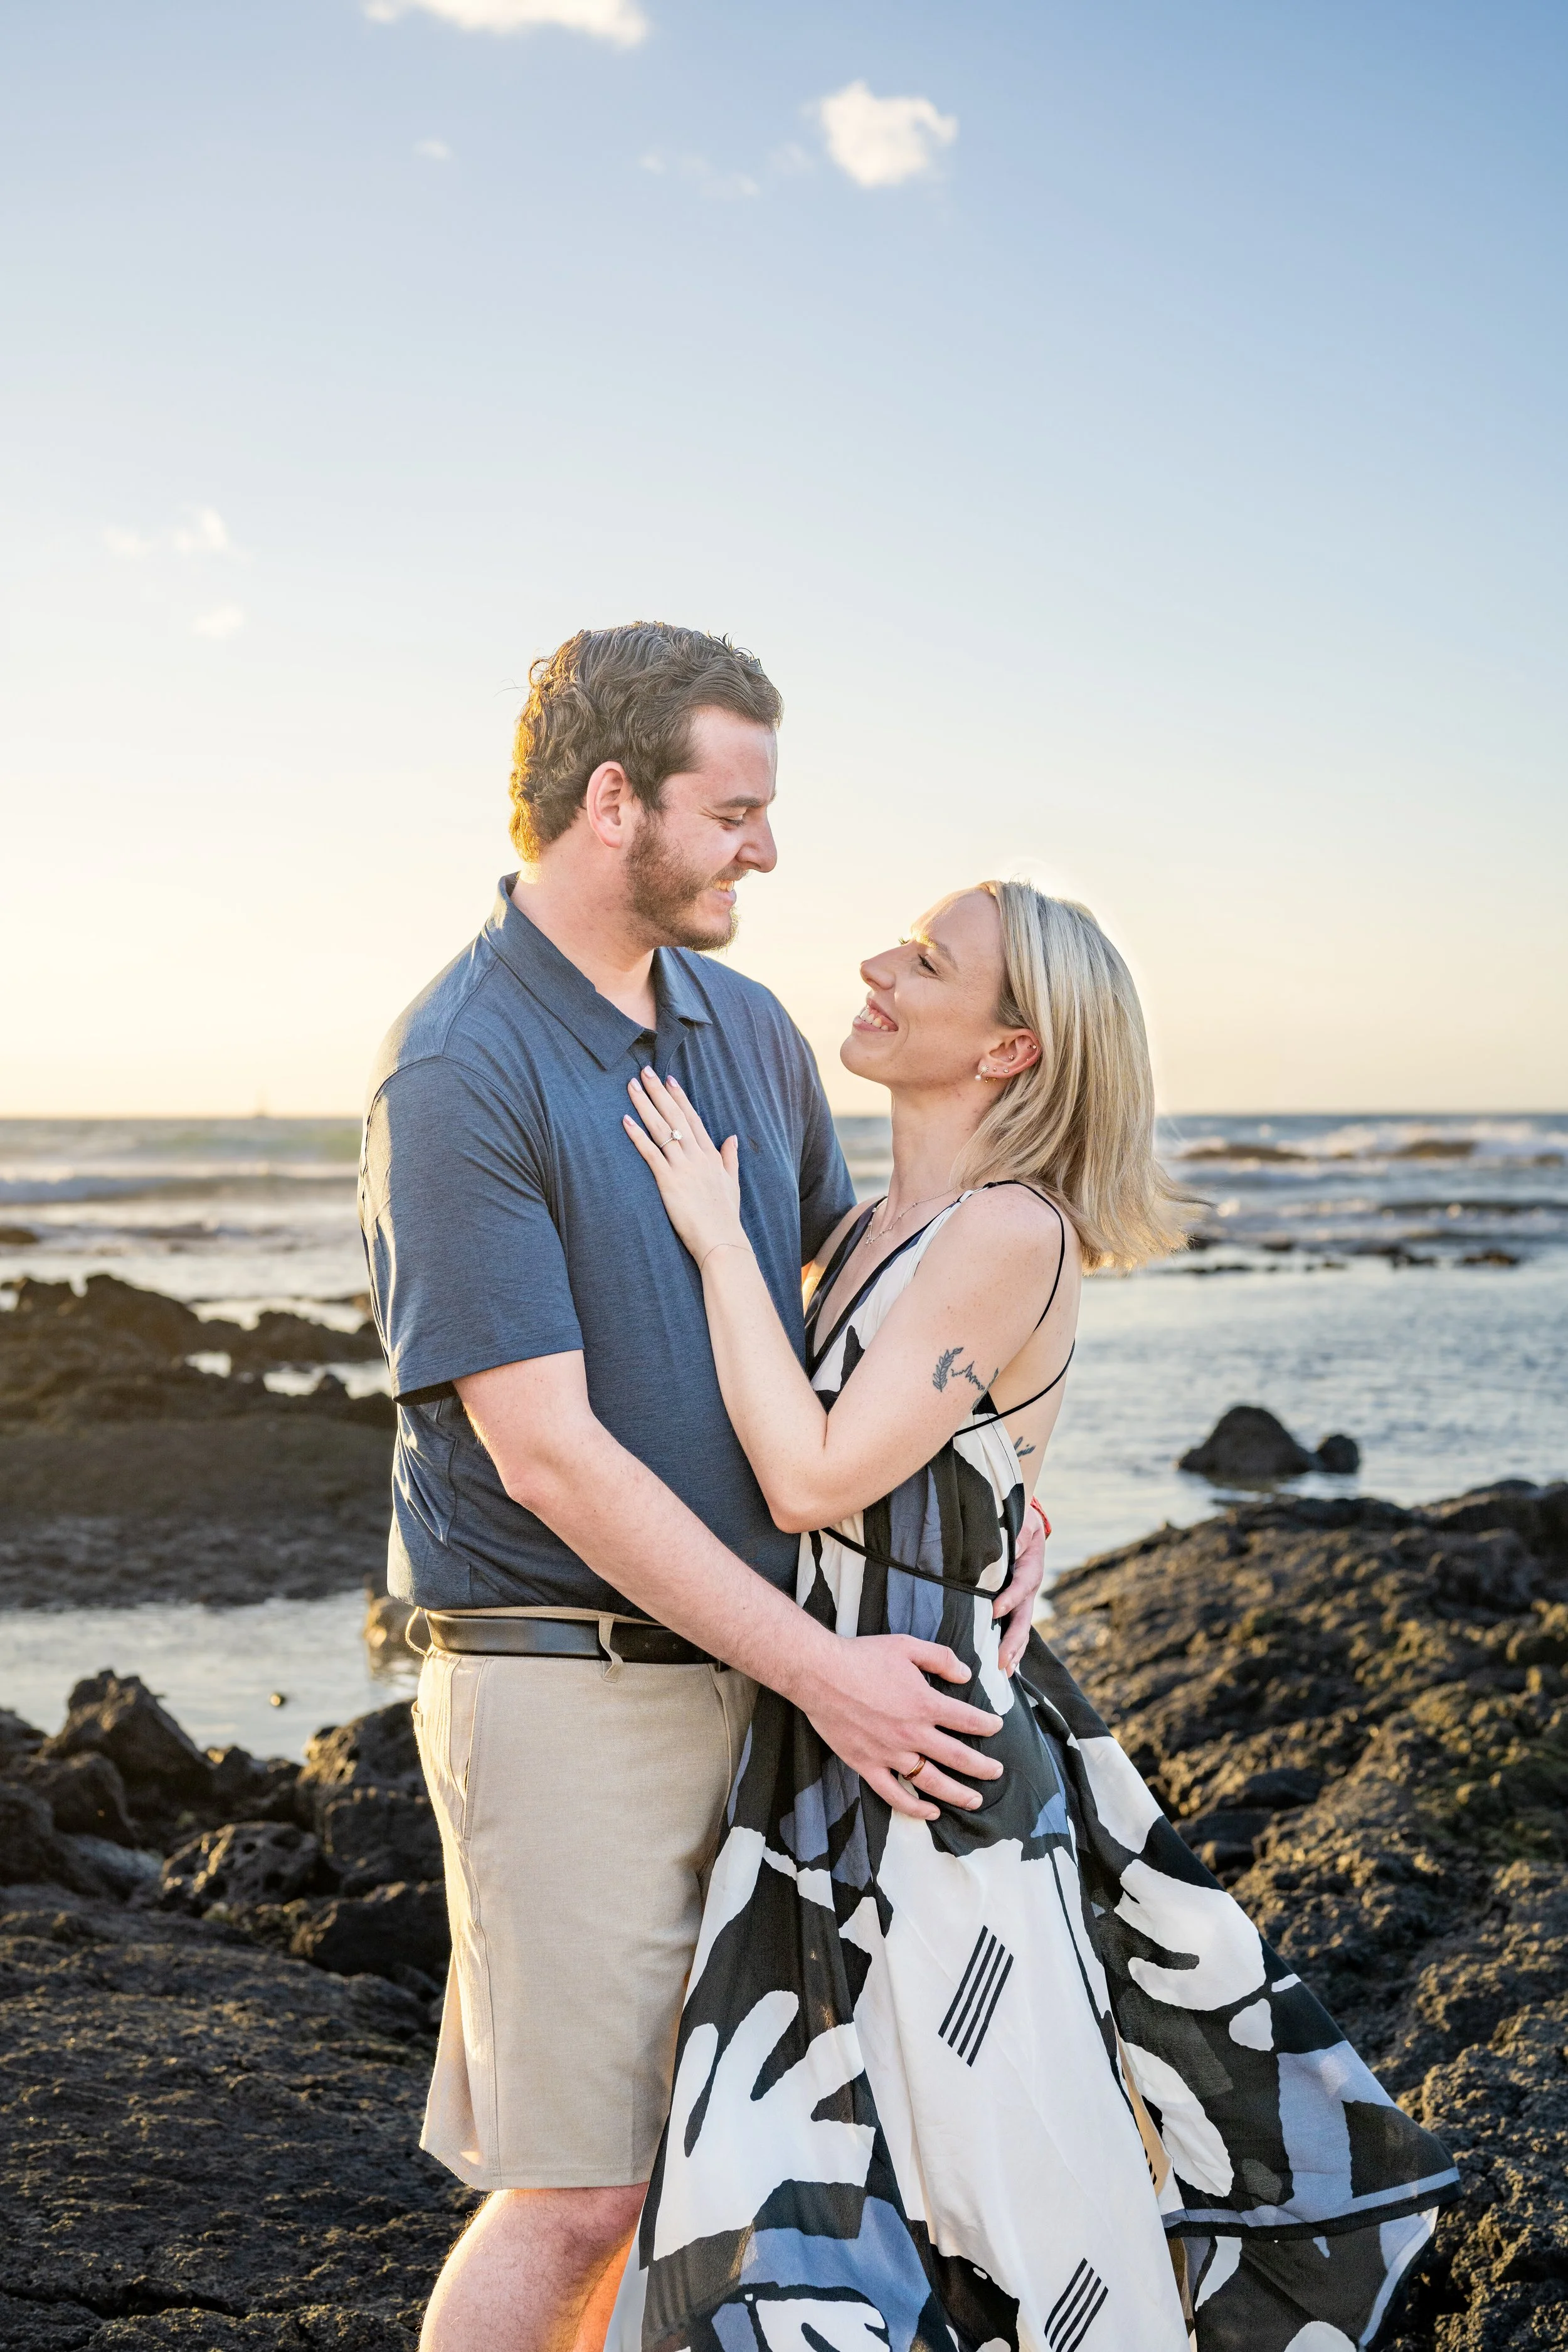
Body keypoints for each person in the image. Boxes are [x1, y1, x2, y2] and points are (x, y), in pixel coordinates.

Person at [611, 879, 1458, 2352]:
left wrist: (713, 1238)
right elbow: (903, 1474)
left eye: (928, 961)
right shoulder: (875, 1226)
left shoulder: (1008, 1234)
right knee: (845, 2190)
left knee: (1012, 2198)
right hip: (846, 1738)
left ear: (1009, 1050)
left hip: (936, 1772)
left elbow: (809, 1479)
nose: (878, 964)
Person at [358, 626, 1046, 2352]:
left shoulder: (743, 1031)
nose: (766, 849)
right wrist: (825, 1668)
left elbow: (852, 1329)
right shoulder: (458, 1065)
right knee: (581, 2183)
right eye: (735, 809)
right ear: (615, 803)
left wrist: (1007, 1492)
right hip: (564, 1675)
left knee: (721, 2171)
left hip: (766, 1680)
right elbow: (549, 1451)